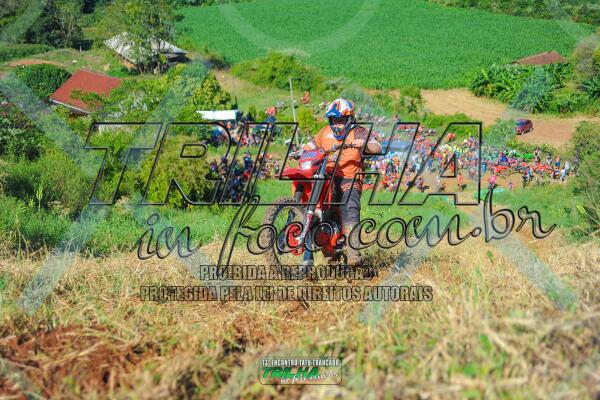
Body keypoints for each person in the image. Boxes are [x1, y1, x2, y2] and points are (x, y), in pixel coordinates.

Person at [302, 98, 382, 266]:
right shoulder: (324, 132)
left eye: (341, 120)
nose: (337, 124)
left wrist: (365, 144)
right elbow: (310, 146)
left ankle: (353, 251)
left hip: (350, 178)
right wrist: (298, 152)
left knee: (350, 205)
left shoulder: (358, 131)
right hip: (327, 176)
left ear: (349, 119)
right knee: (315, 202)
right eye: (334, 120)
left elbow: (377, 147)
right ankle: (323, 239)